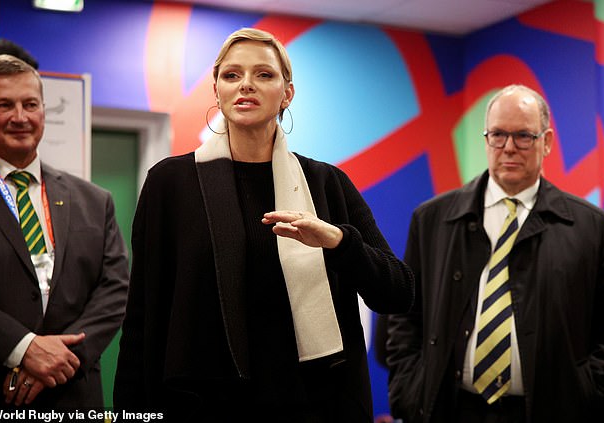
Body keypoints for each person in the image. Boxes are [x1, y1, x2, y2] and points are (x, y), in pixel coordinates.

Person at [114, 27, 414, 422]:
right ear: (217, 90)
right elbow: (143, 313)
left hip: (313, 403)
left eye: (264, 75)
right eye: (232, 75)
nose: (246, 86)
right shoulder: (171, 183)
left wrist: (339, 241)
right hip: (201, 405)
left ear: (287, 93)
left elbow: (398, 293)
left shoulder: (326, 184)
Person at [386, 84, 604, 422]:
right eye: (498, 135)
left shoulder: (591, 227)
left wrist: (588, 393)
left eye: (523, 136)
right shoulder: (432, 219)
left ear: (546, 141)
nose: (508, 148)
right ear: (486, 139)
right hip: (454, 409)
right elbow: (404, 313)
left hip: (551, 411)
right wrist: (410, 388)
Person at [0, 54, 129, 409]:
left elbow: (116, 288)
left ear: (43, 110)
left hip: (74, 397)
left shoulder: (94, 200)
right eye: (3, 105)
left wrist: (62, 359)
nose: (20, 117)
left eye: (30, 104)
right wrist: (24, 347)